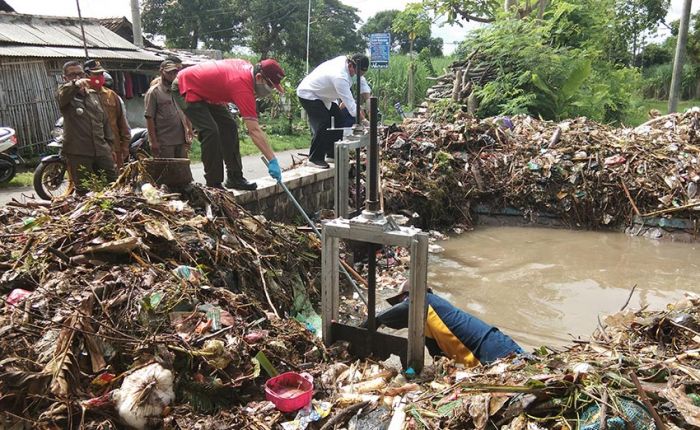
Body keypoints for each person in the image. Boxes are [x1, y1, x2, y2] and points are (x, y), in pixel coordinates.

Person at [172, 58, 284, 190]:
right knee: (211, 131)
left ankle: (234, 177)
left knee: (229, 126)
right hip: (185, 86)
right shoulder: (243, 86)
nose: (270, 90)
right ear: (259, 77)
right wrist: (272, 160)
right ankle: (213, 184)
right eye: (270, 86)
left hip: (206, 91)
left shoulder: (247, 70)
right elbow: (254, 131)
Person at [367, 281, 524, 367]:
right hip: (490, 352)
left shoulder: (425, 300)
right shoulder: (430, 324)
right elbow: (438, 359)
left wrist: (370, 323)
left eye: (402, 300)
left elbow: (388, 316)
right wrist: (411, 373)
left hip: (497, 350)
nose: (401, 304)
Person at [297, 54, 369, 168]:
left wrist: (369, 103)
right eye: (356, 73)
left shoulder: (350, 64)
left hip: (324, 96)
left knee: (338, 118)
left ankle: (331, 154)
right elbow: (351, 107)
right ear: (350, 66)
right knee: (323, 121)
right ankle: (314, 158)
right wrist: (365, 121)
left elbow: (364, 86)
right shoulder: (340, 77)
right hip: (309, 93)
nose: (356, 76)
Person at [57, 60, 117, 195]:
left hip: (101, 150)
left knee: (112, 187)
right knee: (85, 191)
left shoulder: (94, 96)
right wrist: (74, 84)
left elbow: (105, 122)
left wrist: (110, 147)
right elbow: (63, 94)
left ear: (85, 74)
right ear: (64, 78)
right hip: (79, 153)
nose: (77, 77)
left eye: (79, 74)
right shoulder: (65, 96)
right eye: (72, 75)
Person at [84, 59, 130, 170]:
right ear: (87, 75)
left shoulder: (111, 95)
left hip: (114, 147)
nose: (99, 77)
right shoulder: (82, 95)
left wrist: (125, 145)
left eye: (101, 74)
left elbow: (121, 121)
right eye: (96, 74)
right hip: (91, 148)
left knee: (117, 180)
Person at [144, 60, 193, 158]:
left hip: (181, 140)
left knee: (183, 171)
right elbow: (149, 118)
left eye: (175, 72)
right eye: (169, 72)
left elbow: (185, 111)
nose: (172, 75)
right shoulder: (154, 92)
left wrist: (189, 130)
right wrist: (153, 142)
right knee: (168, 171)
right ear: (162, 72)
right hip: (165, 143)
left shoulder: (178, 90)